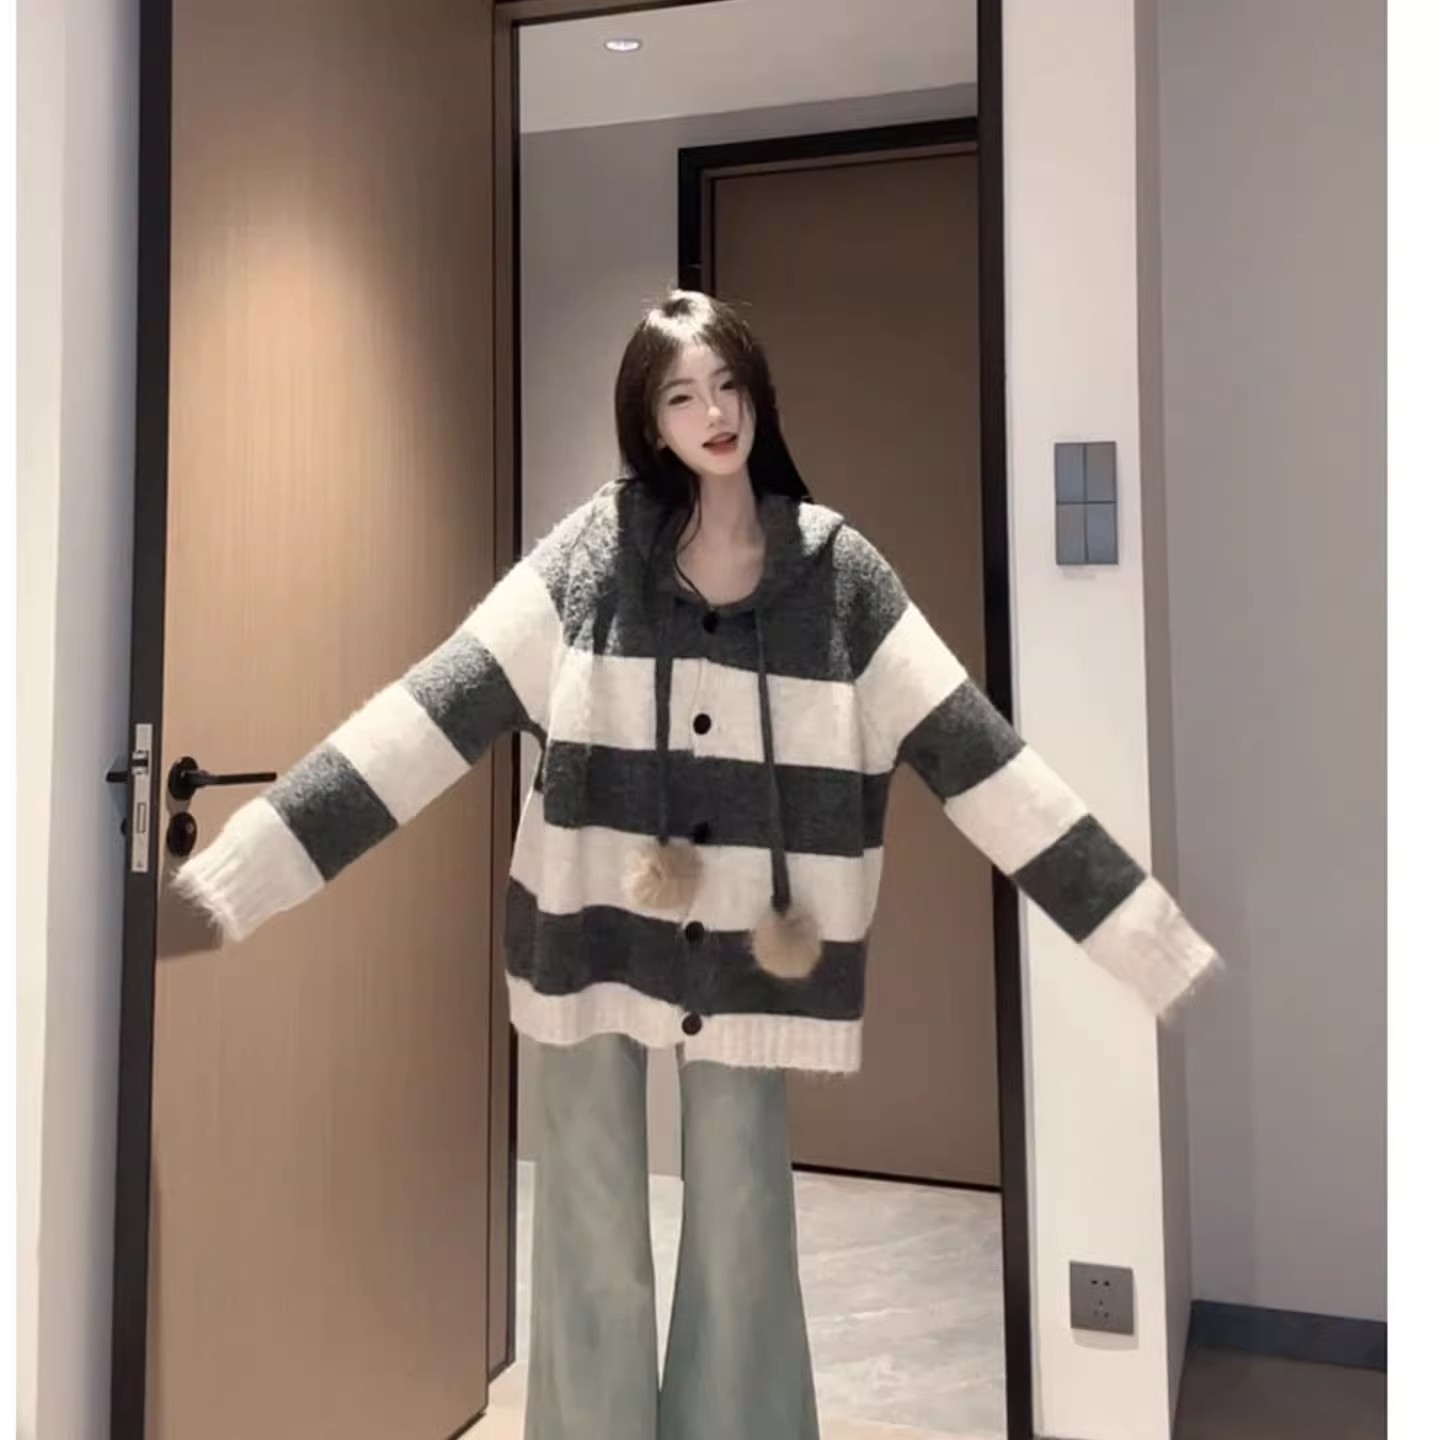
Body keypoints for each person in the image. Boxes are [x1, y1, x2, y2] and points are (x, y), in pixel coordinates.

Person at [174, 290, 1219, 1439]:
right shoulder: (589, 560)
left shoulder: (838, 575)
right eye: (682, 396)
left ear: (758, 393)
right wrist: (232, 882)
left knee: (742, 1233)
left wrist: (1146, 939)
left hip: (755, 960)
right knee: (589, 1236)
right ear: (649, 422)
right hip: (582, 938)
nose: (714, 413)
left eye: (728, 385)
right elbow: (428, 719)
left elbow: (978, 757)